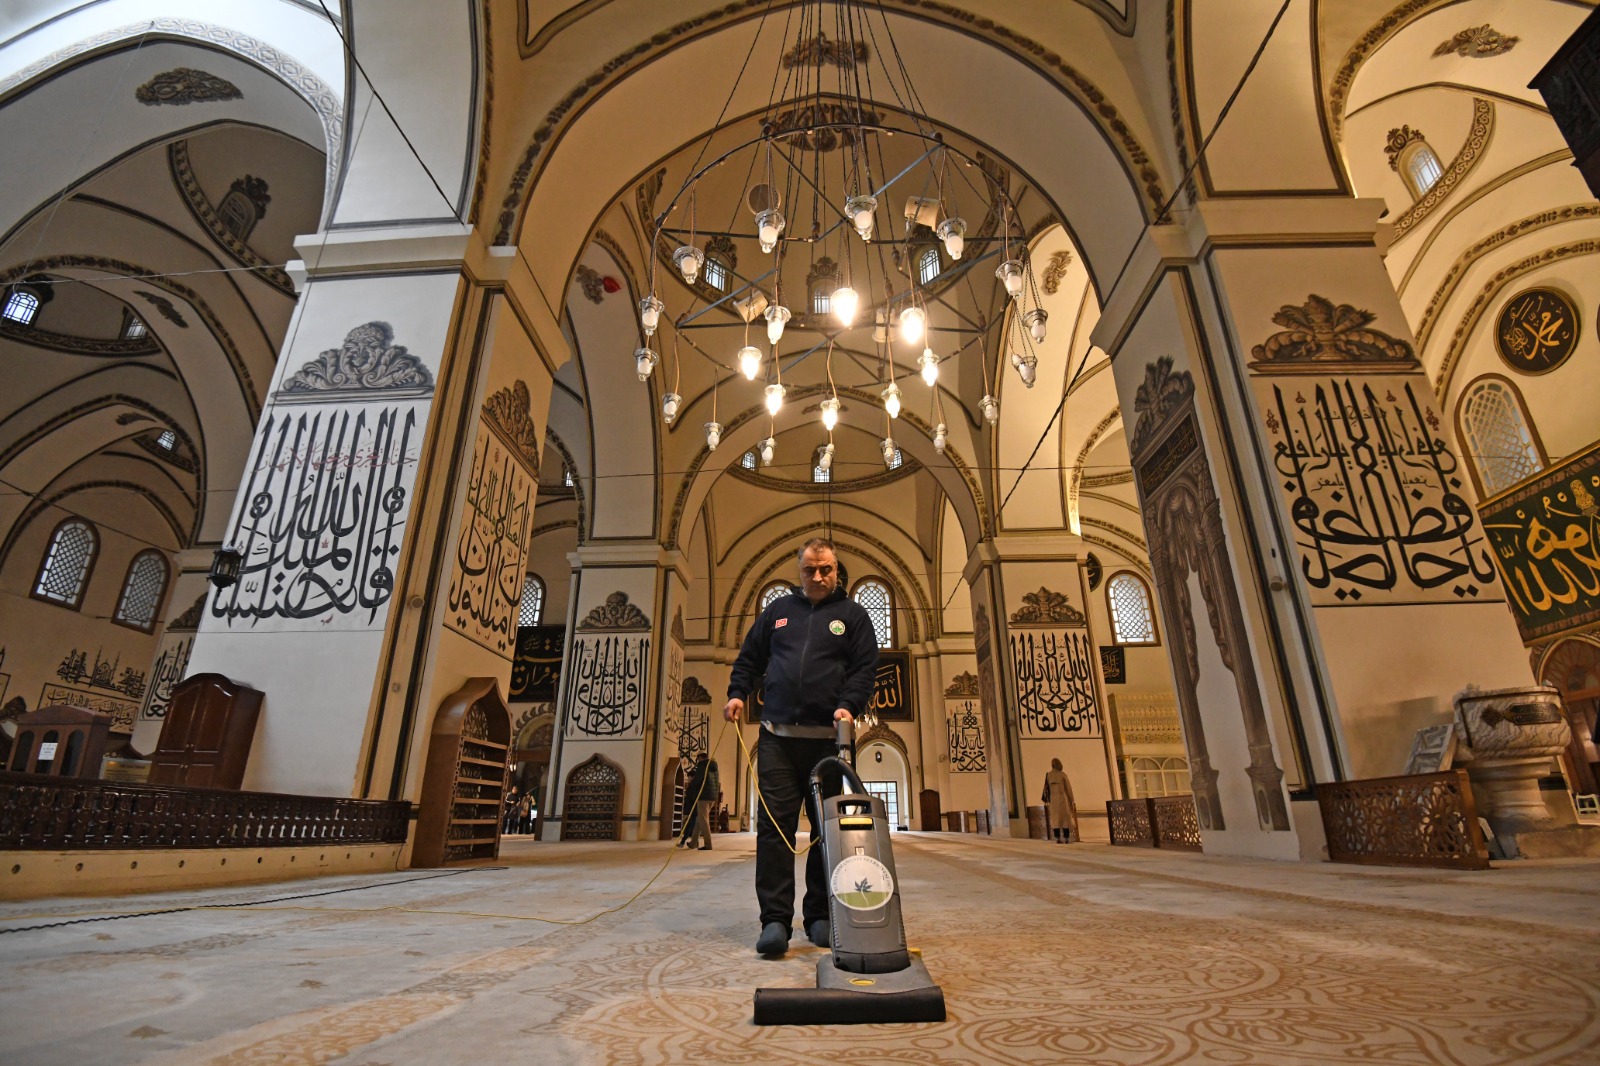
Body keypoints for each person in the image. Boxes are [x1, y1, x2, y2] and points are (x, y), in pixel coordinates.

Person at [725, 537, 879, 958]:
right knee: (774, 832)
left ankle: (818, 916)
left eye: (825, 569)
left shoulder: (853, 616)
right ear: (799, 570)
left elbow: (865, 669)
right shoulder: (777, 613)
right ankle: (775, 920)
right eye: (810, 569)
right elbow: (749, 659)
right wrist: (739, 693)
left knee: (825, 833)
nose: (817, 576)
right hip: (776, 738)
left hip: (827, 744)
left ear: (836, 569)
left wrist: (848, 705)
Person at [684, 751, 720, 851]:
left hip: (703, 797)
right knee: (699, 820)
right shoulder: (714, 767)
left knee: (703, 821)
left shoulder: (702, 766)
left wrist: (691, 783)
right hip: (712, 797)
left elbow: (698, 781)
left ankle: (708, 845)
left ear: (700, 757)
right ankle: (693, 842)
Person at [1043, 758, 1078, 843]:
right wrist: (1071, 800)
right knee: (1065, 819)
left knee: (1056, 819)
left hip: (1053, 799)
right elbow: (1068, 788)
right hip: (1062, 798)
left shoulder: (1048, 775)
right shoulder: (1063, 775)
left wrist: (1046, 801)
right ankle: (1066, 838)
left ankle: (1058, 838)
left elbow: (1045, 789)